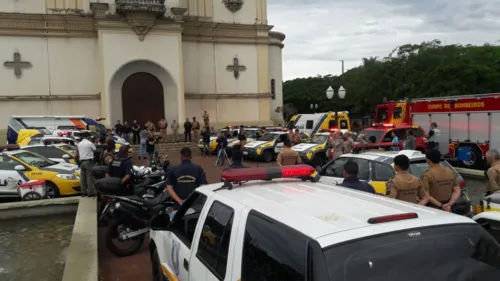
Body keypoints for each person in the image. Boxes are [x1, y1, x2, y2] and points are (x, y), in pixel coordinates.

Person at [75, 131, 96, 197]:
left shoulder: (79, 144)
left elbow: (77, 153)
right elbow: (95, 149)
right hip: (88, 161)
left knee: (83, 178)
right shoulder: (90, 143)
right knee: (89, 177)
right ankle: (90, 192)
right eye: (89, 136)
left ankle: (83, 192)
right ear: (88, 136)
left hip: (81, 162)